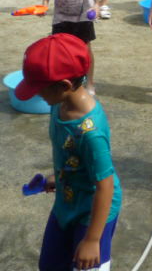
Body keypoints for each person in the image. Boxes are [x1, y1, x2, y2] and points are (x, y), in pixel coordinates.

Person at [15, 33, 122, 270]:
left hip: (93, 211)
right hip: (68, 199)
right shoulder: (59, 104)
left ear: (64, 85)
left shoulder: (90, 132)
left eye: (38, 88)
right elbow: (70, 154)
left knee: (85, 263)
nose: (35, 94)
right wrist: (61, 176)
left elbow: (105, 185)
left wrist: (93, 239)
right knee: (50, 264)